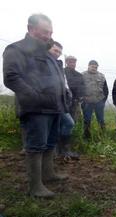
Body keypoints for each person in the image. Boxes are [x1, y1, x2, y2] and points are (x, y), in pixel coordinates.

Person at [3, 13, 68, 198]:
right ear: (31, 29)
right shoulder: (16, 49)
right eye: (44, 32)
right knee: (35, 146)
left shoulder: (46, 54)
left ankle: (48, 174)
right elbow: (11, 78)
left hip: (54, 107)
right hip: (35, 108)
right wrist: (35, 97)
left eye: (50, 32)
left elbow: (56, 80)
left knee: (49, 143)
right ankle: (35, 187)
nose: (48, 36)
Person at [48, 41, 79, 159]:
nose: (57, 53)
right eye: (55, 50)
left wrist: (68, 93)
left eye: (59, 52)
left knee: (69, 123)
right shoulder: (43, 62)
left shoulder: (58, 65)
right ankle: (54, 151)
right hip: (47, 102)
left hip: (62, 101)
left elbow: (64, 82)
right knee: (52, 126)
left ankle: (64, 149)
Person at [81, 60, 108, 139]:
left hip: (99, 101)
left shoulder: (101, 76)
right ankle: (87, 137)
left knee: (101, 120)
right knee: (87, 120)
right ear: (88, 66)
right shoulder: (82, 75)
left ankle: (103, 136)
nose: (94, 68)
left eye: (96, 67)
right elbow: (80, 88)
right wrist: (83, 100)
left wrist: (103, 101)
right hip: (87, 102)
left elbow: (105, 89)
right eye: (92, 66)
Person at [64, 55, 85, 122]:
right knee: (63, 121)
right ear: (66, 62)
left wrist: (80, 98)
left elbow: (82, 88)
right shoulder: (61, 72)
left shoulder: (79, 75)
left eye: (74, 62)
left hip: (74, 102)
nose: (72, 64)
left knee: (73, 120)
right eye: (70, 62)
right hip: (63, 101)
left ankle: (70, 132)